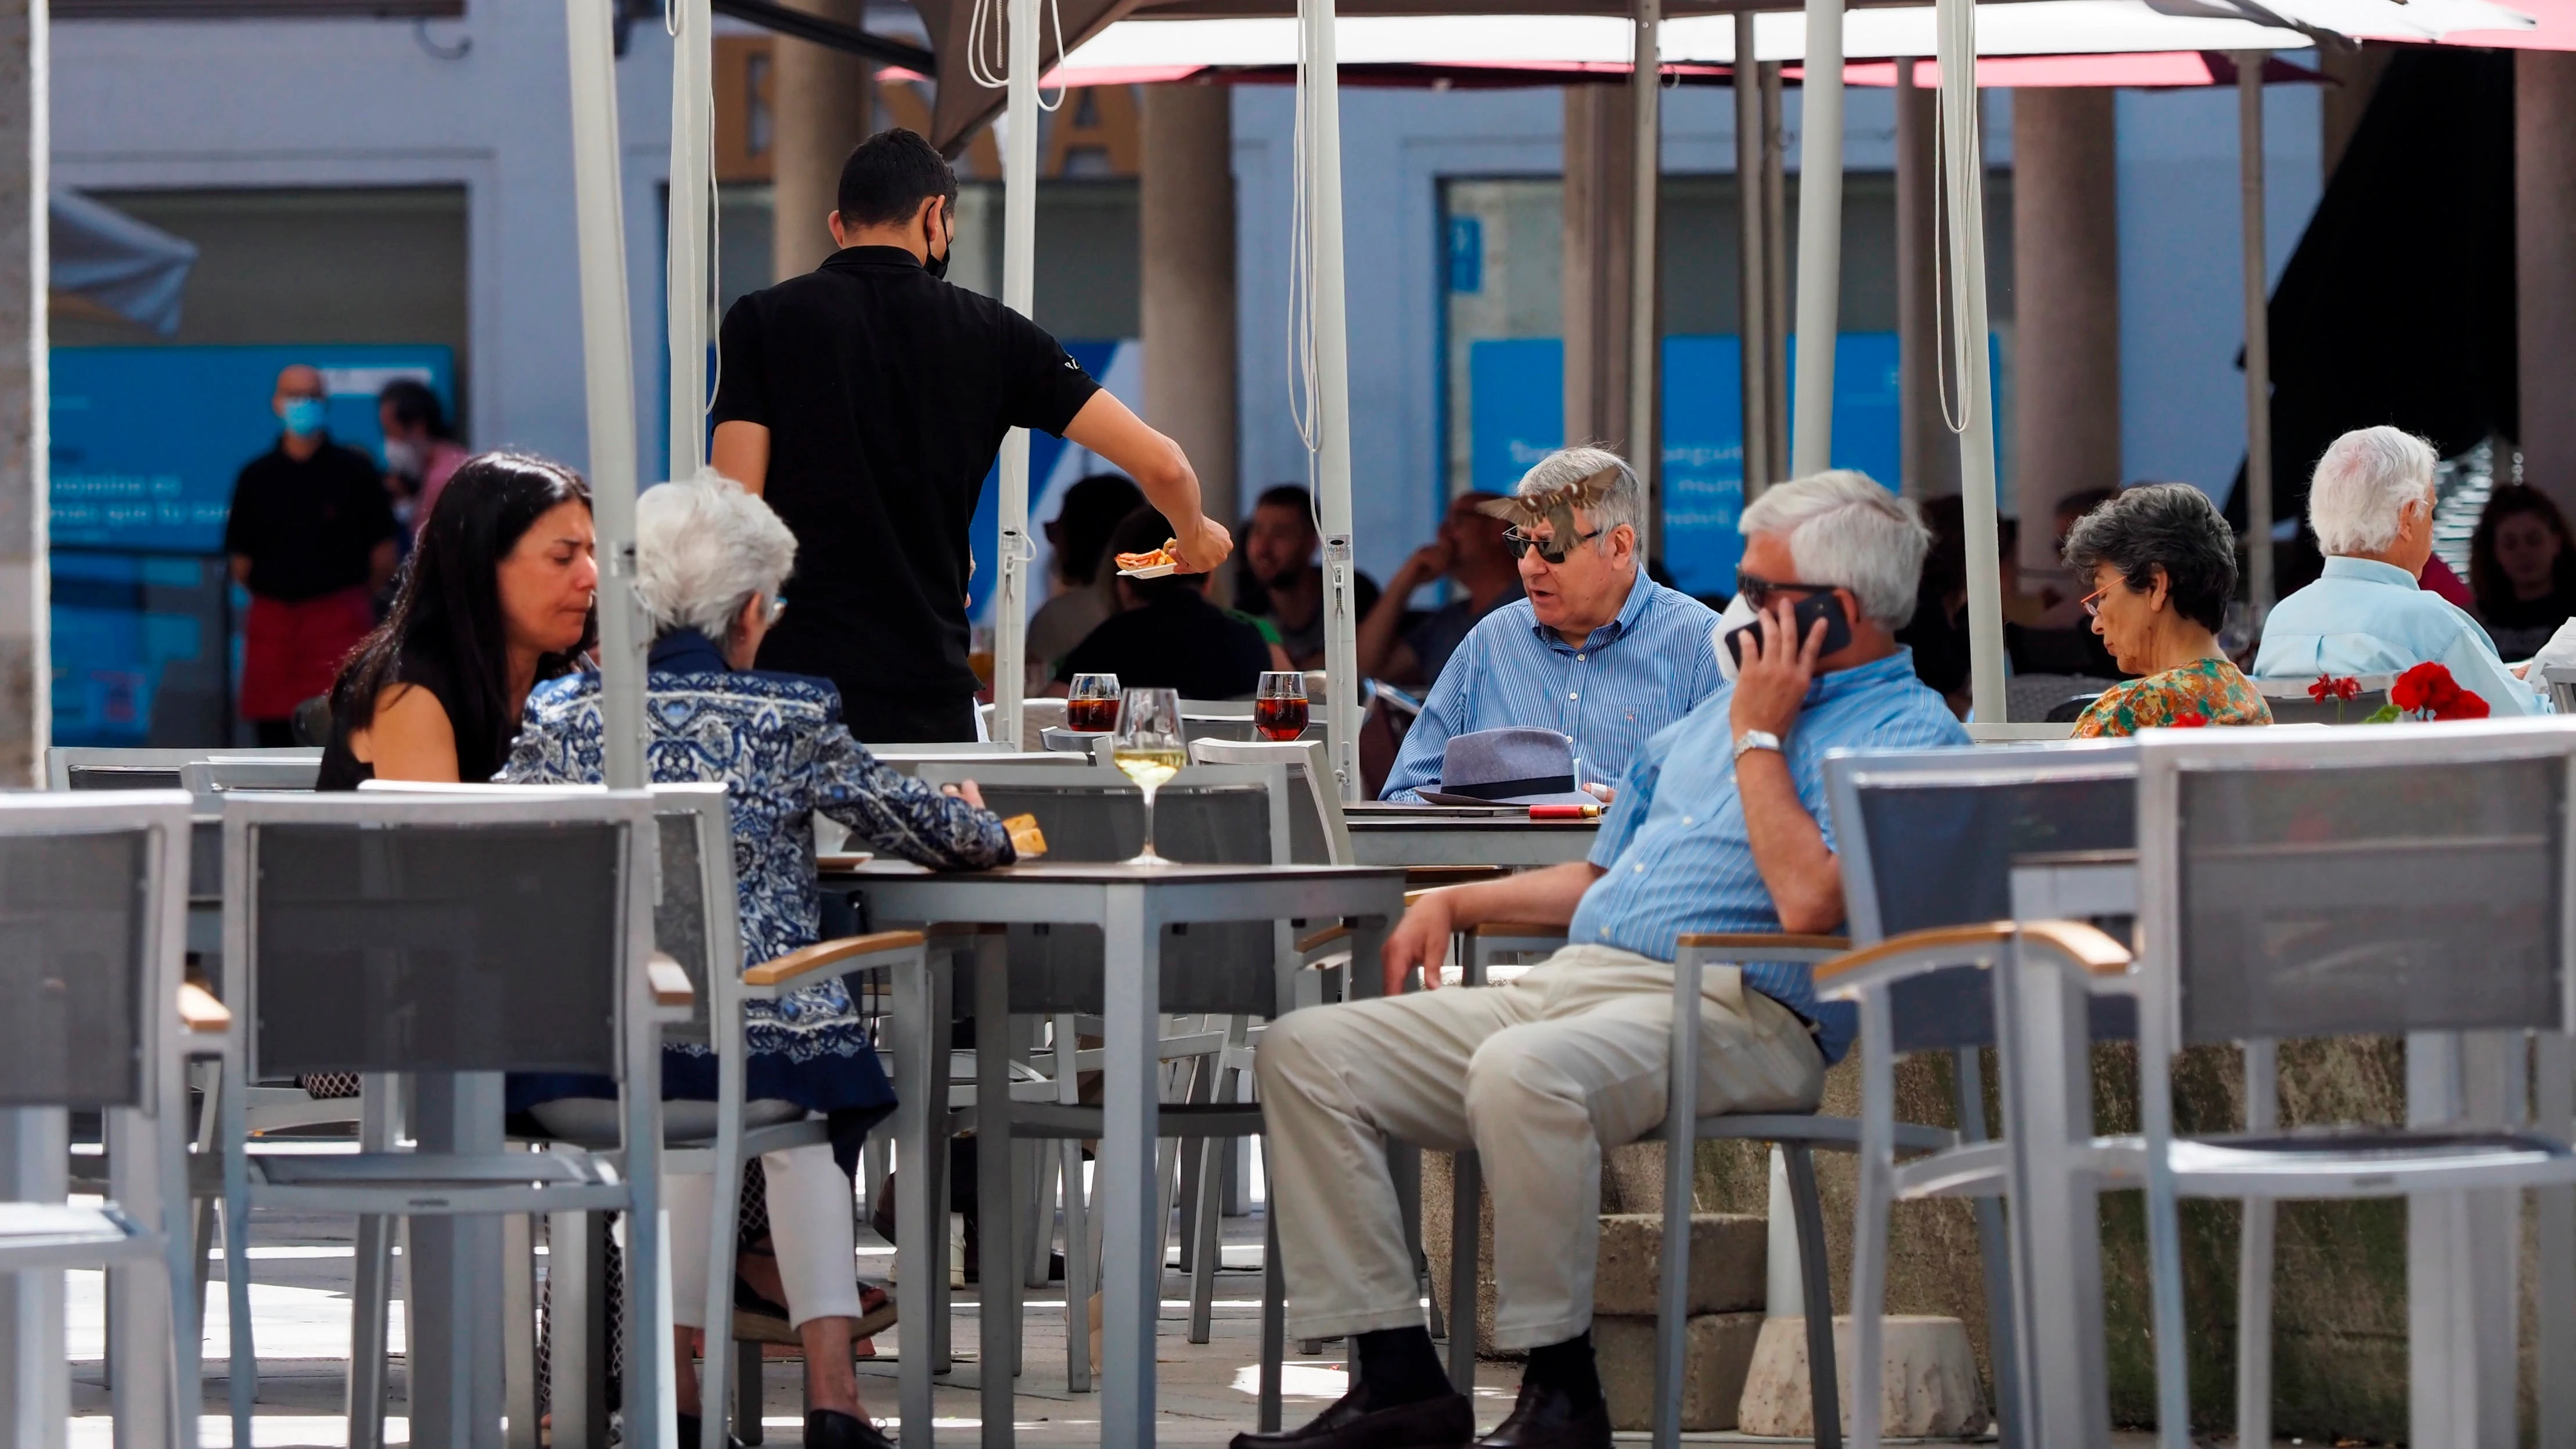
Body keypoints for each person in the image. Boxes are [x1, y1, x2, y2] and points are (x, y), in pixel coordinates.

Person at [1236, 472, 1965, 1449]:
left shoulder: (1906, 732)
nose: (1738, 609)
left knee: (1523, 1073)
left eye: (1761, 590)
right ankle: (1400, 1376)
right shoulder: (1713, 720)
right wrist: (1453, 898)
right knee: (1306, 1052)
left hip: (1744, 1008)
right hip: (1586, 985)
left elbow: (1813, 901)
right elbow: (1597, 876)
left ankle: (1562, 1389)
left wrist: (1760, 735)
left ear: (1838, 611)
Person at [503, 472, 1012, 1449]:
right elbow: (933, 830)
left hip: (577, 1071)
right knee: (788, 1112)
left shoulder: (565, 715)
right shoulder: (788, 714)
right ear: (747, 611)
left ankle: (680, 1395)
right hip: (749, 1057)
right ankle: (835, 1398)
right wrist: (984, 824)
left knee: (699, 1084)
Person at [708, 127, 1232, 742]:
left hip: (789, 689)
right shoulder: (997, 335)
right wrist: (1194, 535)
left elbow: (733, 515)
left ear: (837, 226)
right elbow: (1164, 467)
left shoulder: (761, 321)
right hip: (924, 693)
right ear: (935, 216)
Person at [1378, 448, 1721, 804]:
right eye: (1521, 544)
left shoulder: (1702, 645)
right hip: (1499, 858)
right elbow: (1405, 794)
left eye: (1552, 548)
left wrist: (1644, 817)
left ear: (1619, 547)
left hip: (1631, 858)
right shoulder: (1490, 640)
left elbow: (1739, 813)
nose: (1529, 567)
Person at [315, 452, 599, 790]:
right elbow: (440, 842)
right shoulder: (411, 692)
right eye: (562, 558)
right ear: (481, 566)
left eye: (591, 554)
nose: (590, 577)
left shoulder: (566, 672)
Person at [2255, 426, 2546, 714]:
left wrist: (2503, 678)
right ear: (2407, 518)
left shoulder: (2281, 622)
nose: (2431, 528)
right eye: (2430, 511)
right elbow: (2527, 725)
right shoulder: (2427, 622)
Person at [225, 364, 400, 745]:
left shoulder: (356, 473)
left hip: (339, 625)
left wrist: (346, 599)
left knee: (344, 733)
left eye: (312, 396)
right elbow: (240, 563)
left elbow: (384, 555)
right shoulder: (255, 477)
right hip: (273, 629)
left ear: (326, 403)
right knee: (271, 744)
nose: (303, 404)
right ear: (276, 403)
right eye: (294, 395)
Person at [2059, 484, 2271, 736]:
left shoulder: (2132, 710)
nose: (2096, 625)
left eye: (2103, 595)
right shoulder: (2249, 702)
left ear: (2156, 586)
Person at [1055, 506, 1275, 699]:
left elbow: (1047, 712)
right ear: (1208, 579)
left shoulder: (1112, 641)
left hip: (1146, 748)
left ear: (1124, 583)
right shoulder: (1250, 639)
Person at [1356, 490, 1523, 688]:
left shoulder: (1536, 604)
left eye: (1457, 522)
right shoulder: (1445, 622)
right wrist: (1406, 580)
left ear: (1498, 529)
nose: (1443, 534)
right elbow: (1363, 668)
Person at [1239, 484, 1382, 668]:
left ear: (1312, 542)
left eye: (1280, 533)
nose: (1263, 548)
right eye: (1257, 531)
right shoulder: (1248, 609)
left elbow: (1368, 662)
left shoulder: (1352, 592)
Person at [1024, 473, 1145, 689]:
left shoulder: (1056, 618)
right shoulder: (1176, 617)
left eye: (1054, 532)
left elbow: (1034, 704)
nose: (1053, 545)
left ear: (1076, 537)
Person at [2469, 484, 2576, 659]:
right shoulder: (2476, 622)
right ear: (2494, 551)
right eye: (2510, 544)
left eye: (2534, 540)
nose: (2523, 553)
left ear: (2556, 542)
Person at [378, 377, 470, 536]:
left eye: (390, 431)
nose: (389, 443)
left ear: (418, 427)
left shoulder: (444, 479)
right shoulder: (439, 467)